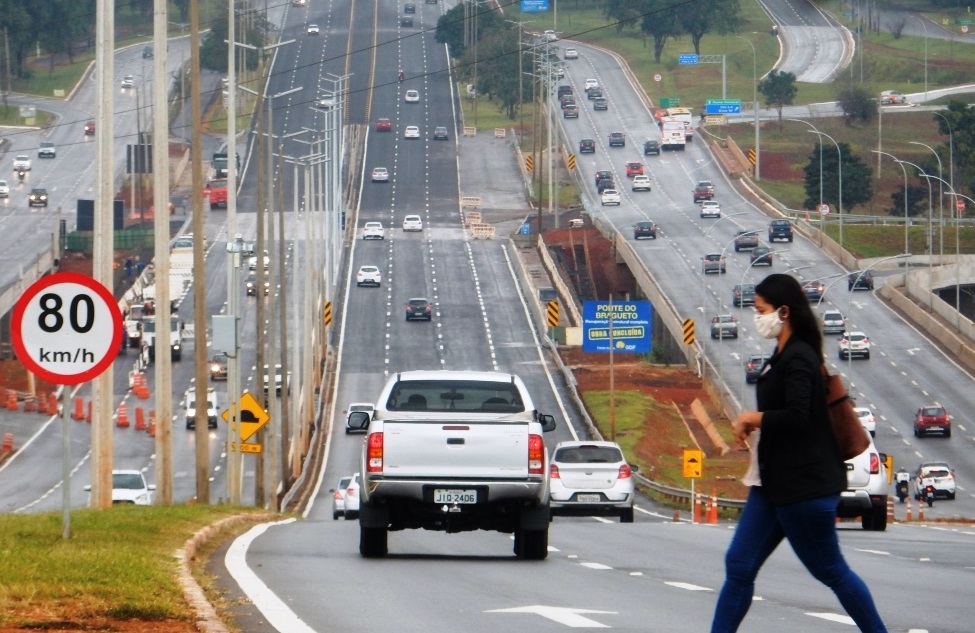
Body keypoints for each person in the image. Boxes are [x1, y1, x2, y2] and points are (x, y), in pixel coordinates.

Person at [710, 273, 887, 633]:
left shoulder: (800, 358)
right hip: (773, 484)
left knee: (831, 571)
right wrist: (756, 426)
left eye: (761, 310)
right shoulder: (783, 355)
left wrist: (752, 417)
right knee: (739, 565)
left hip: (803, 488)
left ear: (784, 311)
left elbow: (798, 416)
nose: (756, 317)